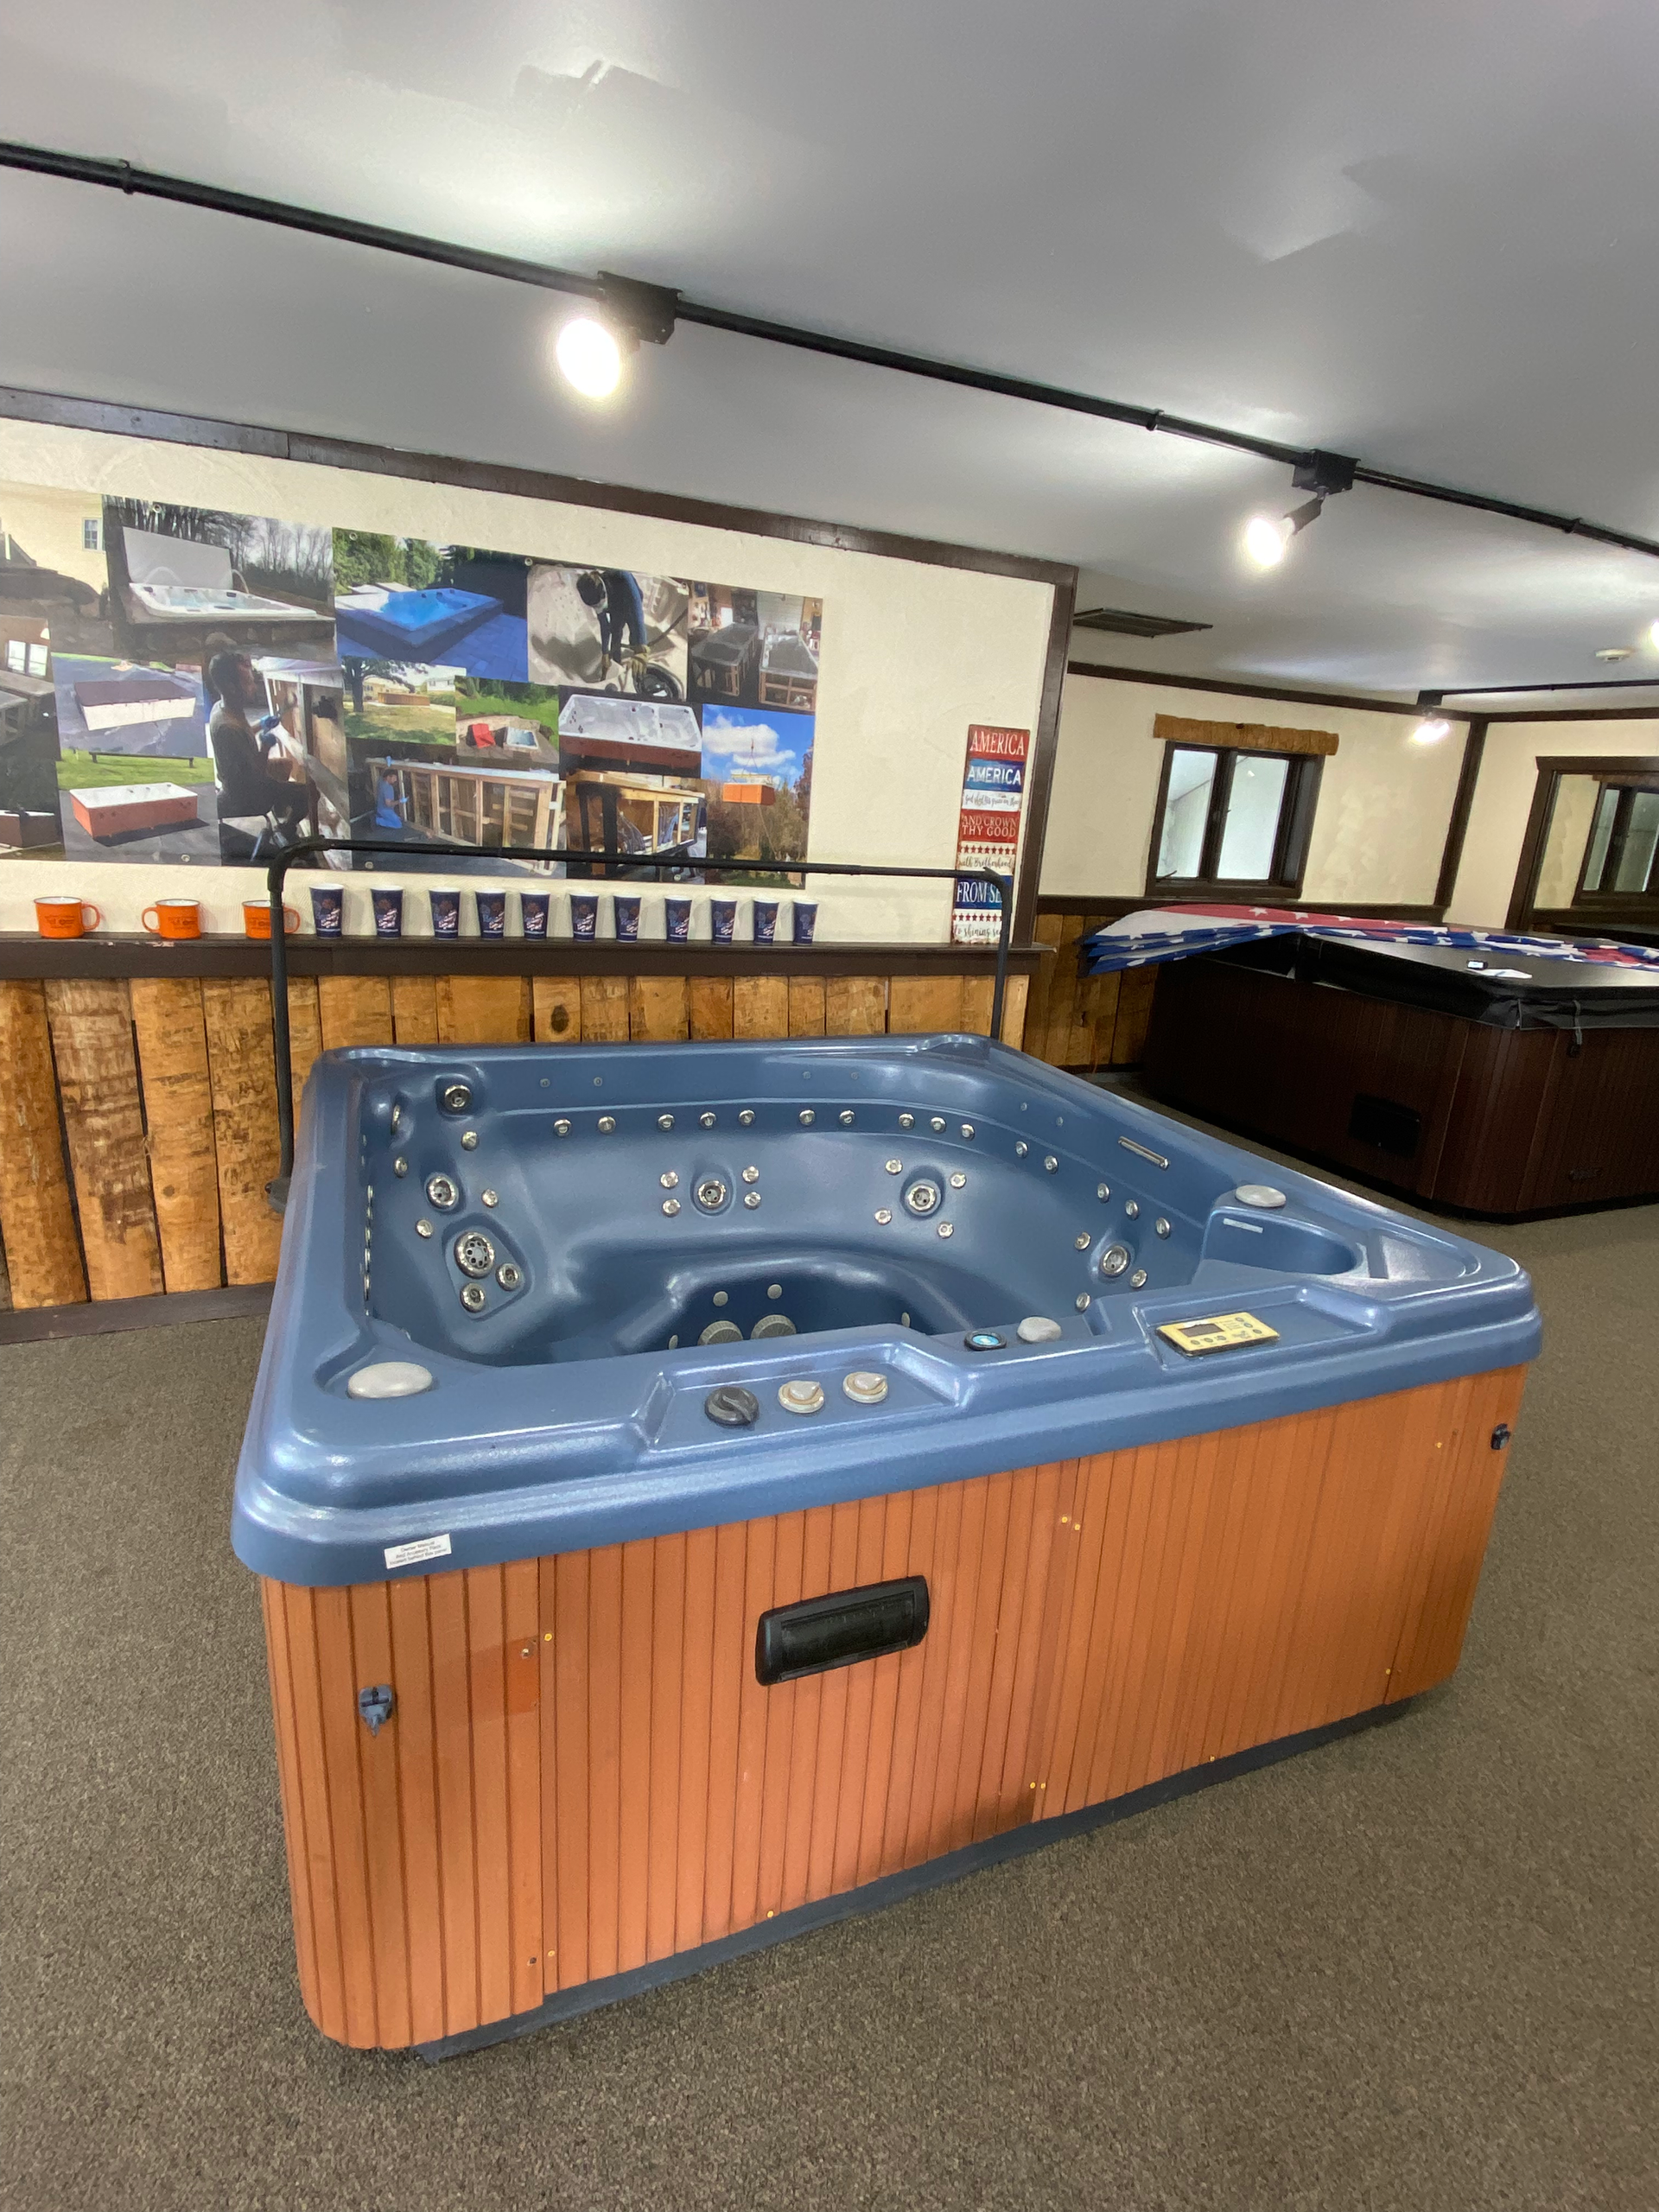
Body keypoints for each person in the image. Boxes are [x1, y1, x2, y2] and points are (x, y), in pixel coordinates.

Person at [206, 650, 308, 836]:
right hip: (246, 796)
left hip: (238, 783)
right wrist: (266, 747)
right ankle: (286, 829)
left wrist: (260, 725)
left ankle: (281, 807)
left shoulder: (222, 710)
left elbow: (242, 734)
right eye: (248, 682)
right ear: (231, 687)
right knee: (309, 794)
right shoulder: (228, 728)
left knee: (285, 765)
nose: (254, 686)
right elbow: (256, 774)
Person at [576, 569, 646, 672]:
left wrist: (641, 647)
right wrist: (605, 652)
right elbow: (604, 626)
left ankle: (635, 655)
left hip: (629, 599)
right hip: (615, 604)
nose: (599, 607)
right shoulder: (593, 593)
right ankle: (616, 660)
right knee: (615, 630)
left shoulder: (622, 576)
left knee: (634, 630)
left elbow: (637, 614)